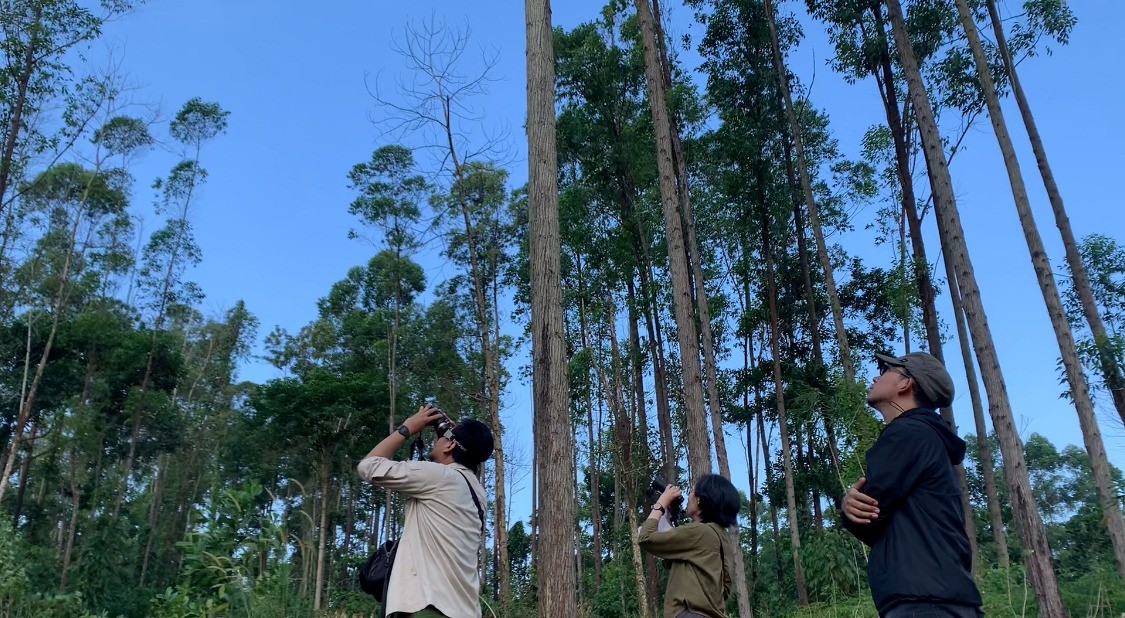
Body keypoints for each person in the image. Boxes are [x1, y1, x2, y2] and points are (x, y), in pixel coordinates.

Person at [841, 352, 983, 617]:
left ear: (906, 383)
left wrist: (849, 508)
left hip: (924, 603)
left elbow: (868, 514)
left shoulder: (908, 433)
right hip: (940, 599)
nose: (876, 378)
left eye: (886, 371)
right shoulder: (927, 438)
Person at [357, 403, 494, 618]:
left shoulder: (441, 476)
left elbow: (368, 466)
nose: (436, 440)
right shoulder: (476, 492)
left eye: (441, 438)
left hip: (427, 607)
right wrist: (447, 434)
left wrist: (408, 428)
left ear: (450, 445)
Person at [638, 474, 739, 618]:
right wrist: (670, 516)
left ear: (699, 500)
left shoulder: (699, 532)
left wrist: (661, 503)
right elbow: (670, 561)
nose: (689, 496)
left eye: (692, 491)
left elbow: (645, 537)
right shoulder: (720, 537)